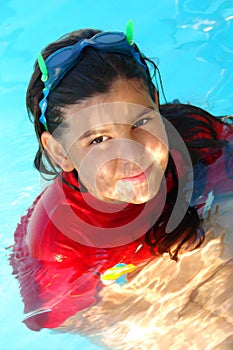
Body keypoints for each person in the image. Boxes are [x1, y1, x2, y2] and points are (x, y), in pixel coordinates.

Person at [10, 21, 233, 332]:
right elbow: (65, 319)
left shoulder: (195, 139)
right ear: (60, 152)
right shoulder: (58, 243)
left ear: (155, 104)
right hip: (123, 285)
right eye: (98, 140)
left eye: (140, 122)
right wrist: (159, 291)